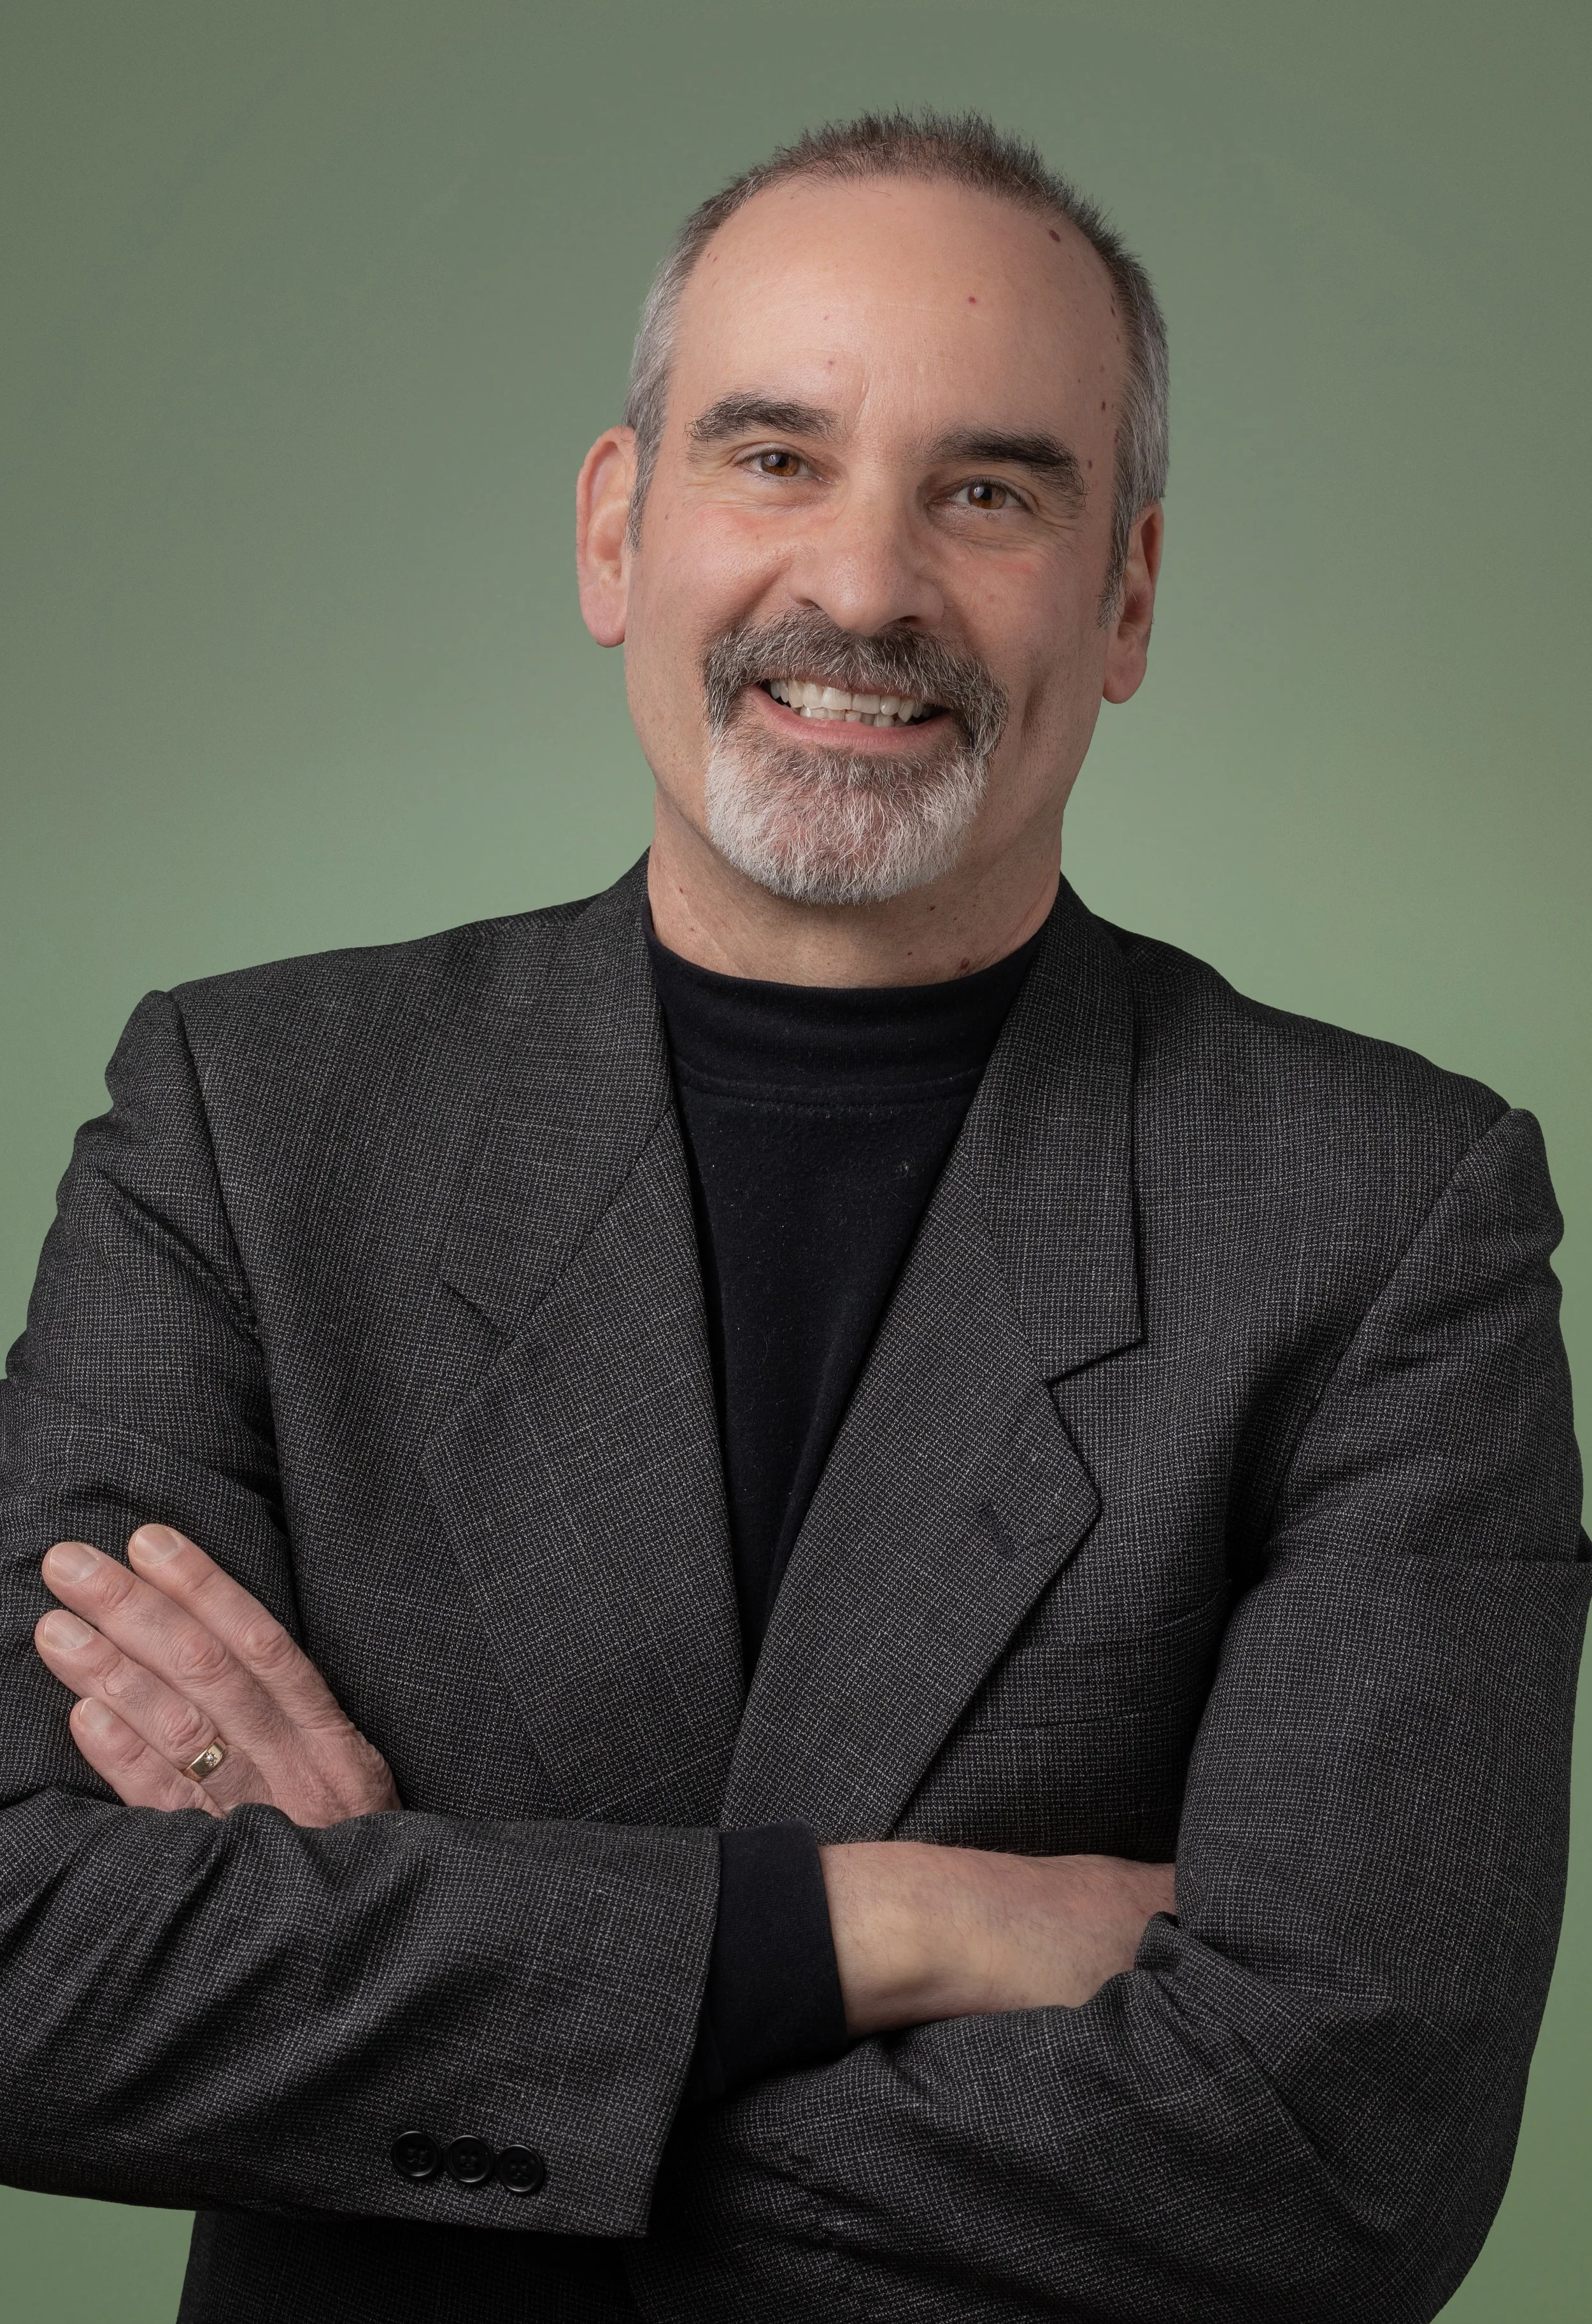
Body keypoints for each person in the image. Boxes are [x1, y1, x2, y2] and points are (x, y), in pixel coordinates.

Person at [0, 110, 1584, 2324]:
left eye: (991, 489)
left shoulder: (1380, 1217)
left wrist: (416, 1997)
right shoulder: (248, 1119)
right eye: (773, 457)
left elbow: (1340, 2158)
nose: (860, 587)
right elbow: (28, 1965)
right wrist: (881, 1927)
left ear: (1122, 595)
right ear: (613, 529)